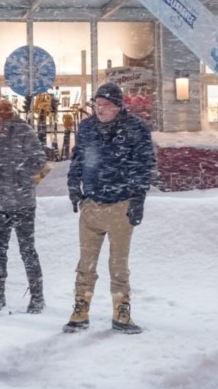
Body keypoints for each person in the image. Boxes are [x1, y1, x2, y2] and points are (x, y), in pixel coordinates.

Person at [64, 82, 155, 335]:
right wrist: (74, 186)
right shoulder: (87, 128)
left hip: (121, 204)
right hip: (92, 203)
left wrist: (138, 199)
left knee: (118, 263)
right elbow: (78, 158)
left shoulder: (135, 129)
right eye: (97, 105)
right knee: (86, 263)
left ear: (118, 106)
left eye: (105, 105)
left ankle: (121, 311)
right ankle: (80, 309)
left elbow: (144, 164)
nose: (100, 110)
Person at [0, 99, 47, 314]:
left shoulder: (23, 132)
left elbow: (40, 160)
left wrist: (16, 171)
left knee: (27, 250)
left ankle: (37, 296)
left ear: (8, 120)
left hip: (23, 202)